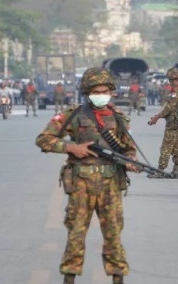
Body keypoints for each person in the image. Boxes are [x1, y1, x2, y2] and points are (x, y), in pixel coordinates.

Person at [35, 67, 140, 284]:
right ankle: (69, 277)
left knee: (113, 235)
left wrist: (131, 163)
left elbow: (129, 150)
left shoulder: (119, 118)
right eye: (96, 91)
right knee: (76, 234)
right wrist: (72, 148)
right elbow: (43, 139)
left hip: (110, 184)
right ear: (87, 92)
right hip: (81, 184)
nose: (101, 95)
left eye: (105, 91)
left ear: (111, 91)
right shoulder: (72, 114)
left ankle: (118, 277)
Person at [147, 68, 178, 179]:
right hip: (177, 122)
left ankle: (160, 170)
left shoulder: (177, 91)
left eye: (171, 80)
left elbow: (170, 107)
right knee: (176, 147)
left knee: (166, 146)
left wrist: (157, 117)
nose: (170, 82)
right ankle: (175, 170)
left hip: (173, 123)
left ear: (174, 79)